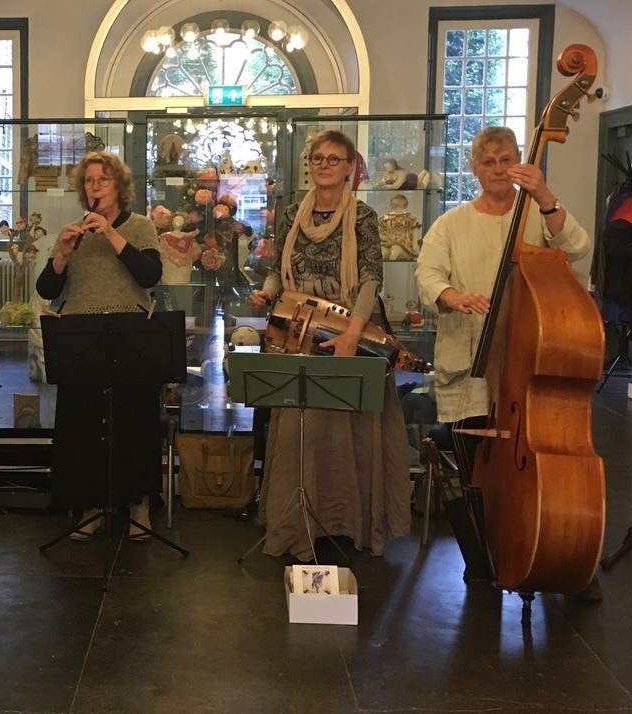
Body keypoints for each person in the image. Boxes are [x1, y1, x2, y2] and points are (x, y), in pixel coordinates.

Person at [415, 126, 595, 591]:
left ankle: (551, 543)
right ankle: (479, 559)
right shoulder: (451, 224)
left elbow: (578, 250)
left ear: (521, 163)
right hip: (469, 365)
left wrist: (546, 195)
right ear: (475, 168)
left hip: (530, 371)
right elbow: (427, 274)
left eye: (506, 160)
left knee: (540, 465)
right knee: (467, 467)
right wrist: (452, 295)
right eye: (488, 161)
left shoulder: (538, 216)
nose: (497, 169)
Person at [248, 129, 411, 563]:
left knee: (348, 431)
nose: (323, 165)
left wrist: (352, 335)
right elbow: (276, 270)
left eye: (333, 159)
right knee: (302, 428)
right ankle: (298, 524)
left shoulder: (363, 218)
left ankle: (348, 524)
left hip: (347, 329)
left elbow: (372, 278)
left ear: (349, 167)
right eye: (317, 158)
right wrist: (266, 292)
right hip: (298, 330)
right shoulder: (289, 216)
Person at [34, 151, 162, 541]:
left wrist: (110, 233)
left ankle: (137, 502)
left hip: (130, 334)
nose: (94, 186)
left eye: (102, 180)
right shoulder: (72, 231)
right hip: (81, 335)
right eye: (89, 181)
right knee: (81, 424)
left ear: (119, 187)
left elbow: (150, 275)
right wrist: (61, 257)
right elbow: (47, 289)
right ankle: (87, 504)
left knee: (134, 419)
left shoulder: (139, 228)